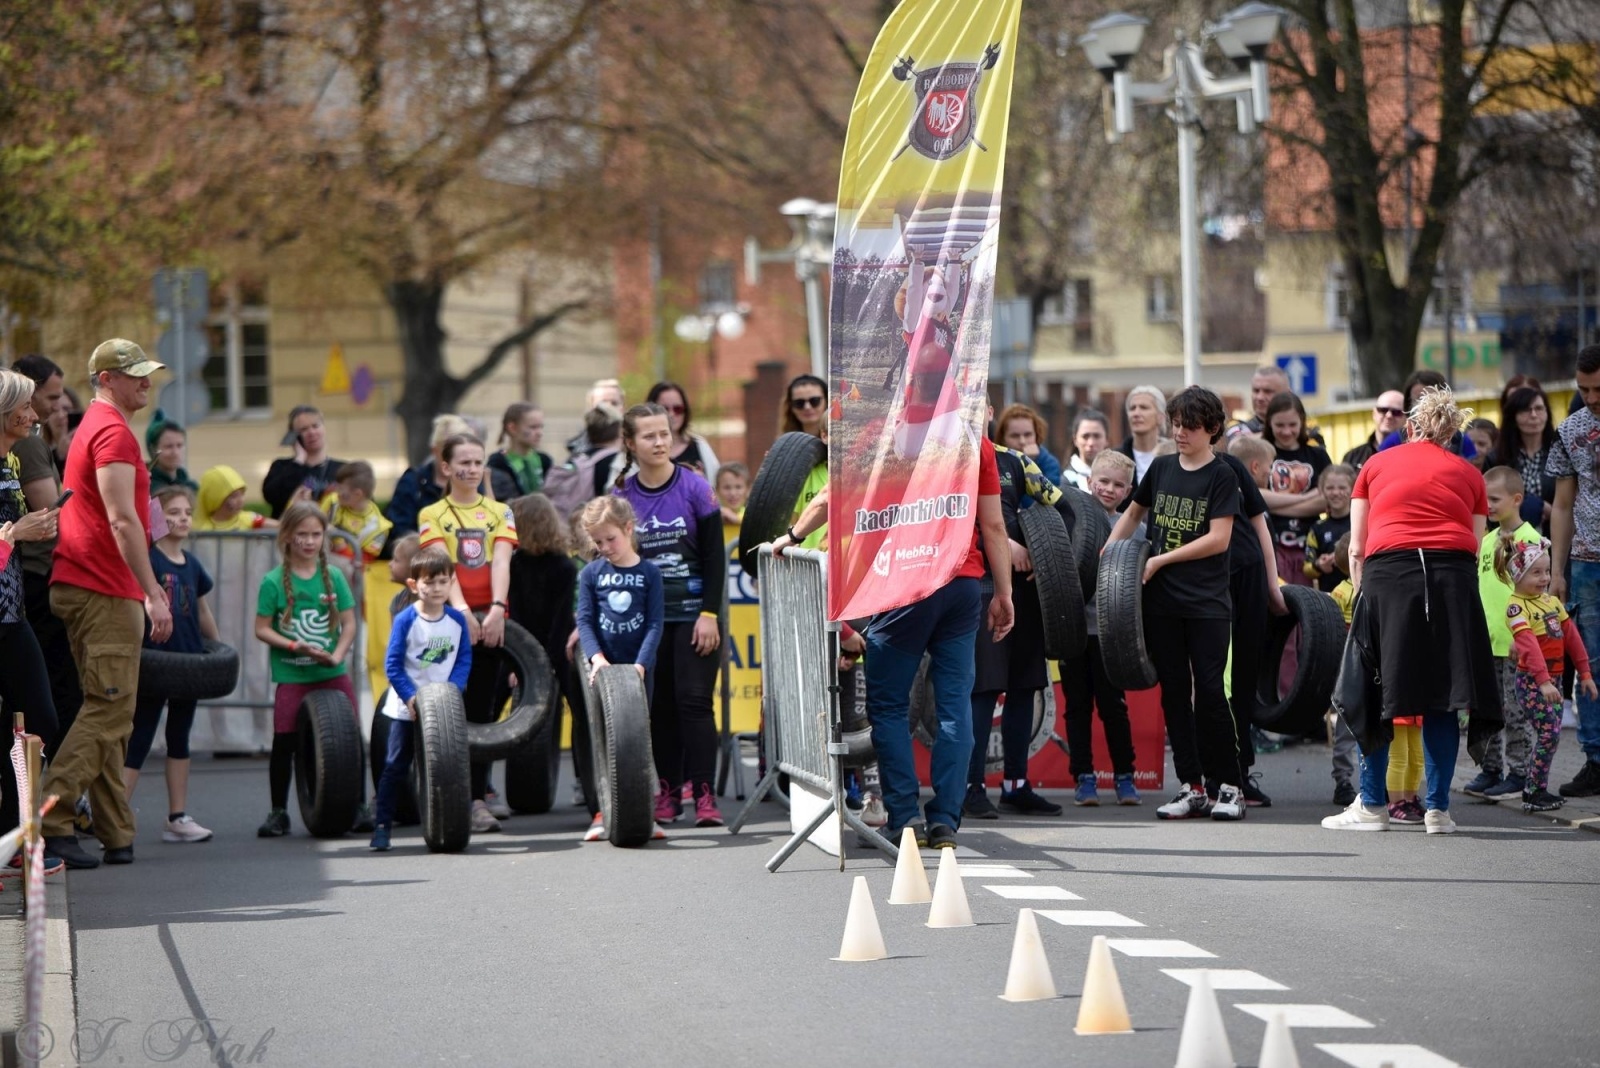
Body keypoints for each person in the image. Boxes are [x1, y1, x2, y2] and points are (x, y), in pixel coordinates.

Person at [772, 436, 1014, 849]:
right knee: (955, 706)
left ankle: (903, 820)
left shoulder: (879, 431)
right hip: (961, 585)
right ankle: (945, 825)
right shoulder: (975, 442)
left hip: (902, 585)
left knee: (888, 707)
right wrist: (1004, 594)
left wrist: (791, 537)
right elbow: (993, 524)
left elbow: (830, 498)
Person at [1325, 386, 1500, 834]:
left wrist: (1364, 599)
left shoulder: (1376, 464)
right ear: (1451, 433)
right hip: (1453, 581)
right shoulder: (1470, 474)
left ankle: (1372, 805)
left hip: (1390, 576)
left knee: (1379, 691)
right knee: (1444, 694)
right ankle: (1438, 811)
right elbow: (1475, 544)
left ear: (1411, 426)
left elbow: (1358, 546)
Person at [39, 340, 174, 870]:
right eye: (134, 374)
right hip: (104, 588)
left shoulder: (98, 426)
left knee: (107, 709)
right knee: (109, 709)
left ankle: (117, 832)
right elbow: (122, 521)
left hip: (85, 584)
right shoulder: (112, 432)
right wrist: (153, 591)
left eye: (146, 374)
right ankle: (50, 818)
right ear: (105, 379)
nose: (145, 382)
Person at [1107, 386, 1246, 822]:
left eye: (1190, 425)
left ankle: (1230, 785)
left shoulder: (1222, 475)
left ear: (1213, 429)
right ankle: (1191, 786)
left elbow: (1218, 539)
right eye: (1177, 423)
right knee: (1172, 694)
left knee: (1208, 691)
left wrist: (1162, 558)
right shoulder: (1164, 468)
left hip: (1206, 603)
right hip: (1161, 602)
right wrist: (1109, 558)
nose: (1180, 431)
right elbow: (1133, 513)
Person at [611, 403, 726, 827]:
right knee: (659, 707)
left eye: (664, 433)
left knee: (694, 701)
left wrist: (710, 613)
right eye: (649, 436)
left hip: (696, 613)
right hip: (646, 621)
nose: (660, 442)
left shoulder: (694, 487)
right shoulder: (622, 496)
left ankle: (705, 794)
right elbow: (610, 559)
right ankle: (669, 790)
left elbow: (715, 557)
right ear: (630, 443)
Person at [417, 433, 518, 833]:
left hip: (489, 619)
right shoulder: (432, 514)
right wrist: (460, 611)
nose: (472, 470)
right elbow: (441, 565)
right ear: (446, 468)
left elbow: (502, 563)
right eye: (464, 463)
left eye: (478, 463)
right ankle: (436, 792)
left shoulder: (500, 512)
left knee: (483, 709)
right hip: (448, 617)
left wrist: (496, 609)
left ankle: (477, 799)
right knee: (442, 709)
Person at [963, 427, 1064, 820]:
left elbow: (1061, 506)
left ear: (988, 413)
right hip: (976, 586)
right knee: (982, 691)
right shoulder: (942, 458)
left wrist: (1047, 554)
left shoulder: (1015, 459)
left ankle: (1016, 786)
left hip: (1020, 588)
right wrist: (1006, 545)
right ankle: (971, 789)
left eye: (981, 406)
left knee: (1026, 684)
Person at [254, 501, 364, 837]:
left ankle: (357, 806)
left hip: (331, 672)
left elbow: (348, 624)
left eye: (316, 534)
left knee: (351, 739)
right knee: (284, 742)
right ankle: (278, 811)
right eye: (301, 534)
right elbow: (262, 628)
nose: (309, 541)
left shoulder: (333, 576)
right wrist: (292, 646)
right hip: (293, 674)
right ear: (286, 536)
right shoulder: (273, 581)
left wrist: (338, 656)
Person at [123, 485, 218, 843]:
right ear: (157, 519)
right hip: (156, 664)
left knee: (180, 737)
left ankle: (177, 817)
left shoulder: (192, 565)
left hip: (189, 664)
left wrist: (218, 649)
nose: (182, 518)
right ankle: (115, 816)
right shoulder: (148, 561)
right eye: (173, 512)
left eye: (187, 512)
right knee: (140, 737)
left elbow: (202, 611)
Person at [370, 545, 473, 851]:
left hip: (444, 709)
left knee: (450, 765)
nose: (437, 588)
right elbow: (393, 665)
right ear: (415, 585)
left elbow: (464, 659)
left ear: (452, 582)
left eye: (443, 581)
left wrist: (453, 690)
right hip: (408, 707)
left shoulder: (456, 620)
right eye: (429, 582)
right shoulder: (405, 620)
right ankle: (382, 825)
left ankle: (451, 821)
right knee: (395, 765)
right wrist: (411, 698)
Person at [0, 369, 61, 855]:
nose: (35, 414)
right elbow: (9, 533)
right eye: (25, 406)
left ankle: (12, 839)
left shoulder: (11, 462)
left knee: (38, 719)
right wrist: (16, 533)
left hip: (11, 615)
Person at [8, 355, 80, 755]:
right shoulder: (30, 444)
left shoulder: (27, 446)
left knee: (37, 707)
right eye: (49, 398)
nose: (55, 408)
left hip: (20, 595)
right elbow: (47, 512)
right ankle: (56, 796)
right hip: (34, 583)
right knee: (48, 702)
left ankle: (32, 805)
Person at [1061, 446, 1139, 807]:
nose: (1109, 489)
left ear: (1129, 490)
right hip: (1076, 631)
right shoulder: (1070, 521)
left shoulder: (1135, 530)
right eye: (1103, 481)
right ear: (1090, 481)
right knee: (1077, 707)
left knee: (1113, 707)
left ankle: (1125, 777)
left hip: (1111, 634)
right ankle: (1084, 778)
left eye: (1118, 485)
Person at [1498, 534, 1596, 812]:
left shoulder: (1550, 602)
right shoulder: (1517, 607)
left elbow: (1572, 637)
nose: (1544, 579)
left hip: (1553, 680)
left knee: (1549, 734)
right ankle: (1533, 791)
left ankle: (1535, 788)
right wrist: (1542, 682)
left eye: (1548, 571)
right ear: (1517, 576)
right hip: (1532, 682)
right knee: (1550, 732)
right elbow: (1528, 646)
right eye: (1536, 573)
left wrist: (1585, 673)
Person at [1463, 467, 1542, 800]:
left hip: (1514, 643)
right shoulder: (1486, 540)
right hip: (1486, 641)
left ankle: (1520, 772)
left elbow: (1537, 595)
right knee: (1488, 708)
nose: (1488, 505)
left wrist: (1523, 638)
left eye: (1494, 499)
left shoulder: (1531, 541)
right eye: (1484, 499)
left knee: (1516, 709)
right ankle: (1491, 769)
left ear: (1517, 499)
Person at [505, 493, 586, 815]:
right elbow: (517, 616)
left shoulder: (564, 567)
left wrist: (548, 664)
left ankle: (588, 779)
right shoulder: (514, 564)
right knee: (486, 707)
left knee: (582, 711)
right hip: (523, 645)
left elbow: (560, 620)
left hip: (559, 645)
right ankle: (479, 787)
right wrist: (519, 662)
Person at [1546, 342, 1600, 797]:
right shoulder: (1570, 430)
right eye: (1583, 389)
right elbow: (1562, 505)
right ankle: (1596, 758)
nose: (1591, 397)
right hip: (1586, 561)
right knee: (1590, 664)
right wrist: (1557, 569)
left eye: (1598, 388)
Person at [1263, 391, 1331, 588]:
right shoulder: (1262, 452)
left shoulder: (1318, 455)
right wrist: (1307, 498)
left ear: (1302, 422)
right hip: (1272, 545)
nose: (1286, 431)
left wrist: (1273, 504)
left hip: (1309, 547)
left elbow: (1326, 498)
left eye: (1292, 425)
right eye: (1279, 425)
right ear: (1269, 423)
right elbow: (1255, 495)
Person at [386, 413, 475, 540]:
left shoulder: (475, 483)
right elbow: (400, 533)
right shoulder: (411, 483)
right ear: (434, 450)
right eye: (446, 451)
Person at [1491, 385, 1557, 533]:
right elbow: (1488, 503)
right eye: (1526, 410)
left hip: (1551, 538)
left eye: (1539, 408)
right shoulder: (1497, 457)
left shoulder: (1559, 453)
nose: (1534, 415)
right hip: (1508, 540)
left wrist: (1549, 510)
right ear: (1513, 416)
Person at [262, 405, 345, 519]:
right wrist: (299, 460)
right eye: (303, 429)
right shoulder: (281, 467)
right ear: (294, 436)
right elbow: (272, 497)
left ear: (323, 428)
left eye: (315, 426)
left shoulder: (343, 469)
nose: (311, 432)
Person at [1326, 532, 1361, 805]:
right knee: (1346, 724)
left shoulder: (1373, 586)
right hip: (1348, 663)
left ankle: (1378, 779)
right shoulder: (1340, 592)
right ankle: (1343, 779)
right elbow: (1333, 629)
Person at [647, 381, 720, 483]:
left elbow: (718, 487)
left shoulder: (700, 446)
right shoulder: (639, 450)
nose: (671, 414)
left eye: (678, 409)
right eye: (664, 409)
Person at [321, 461, 392, 563]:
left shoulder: (379, 529)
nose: (336, 491)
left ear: (357, 494)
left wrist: (338, 541)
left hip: (346, 574)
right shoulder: (332, 501)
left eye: (341, 489)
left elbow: (362, 563)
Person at [1303, 465, 1355, 593]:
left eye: (1342, 487)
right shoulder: (1317, 528)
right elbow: (1307, 568)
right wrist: (1319, 565)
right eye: (1330, 488)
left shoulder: (1362, 523)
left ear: (1353, 489)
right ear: (1322, 490)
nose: (1336, 492)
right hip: (1329, 598)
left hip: (1359, 596)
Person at [487, 402, 553, 501]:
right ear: (512, 428)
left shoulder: (544, 460)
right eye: (533, 427)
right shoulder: (498, 462)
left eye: (541, 427)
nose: (539, 433)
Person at [995, 403, 1062, 492]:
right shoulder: (994, 463)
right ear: (1003, 438)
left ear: (1037, 435)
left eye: (1028, 435)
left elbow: (1045, 501)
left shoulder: (1049, 464)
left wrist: (1028, 465)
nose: (1022, 441)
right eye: (1014, 436)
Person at [1114, 385, 1167, 492]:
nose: (1136, 413)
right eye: (1132, 408)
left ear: (1160, 417)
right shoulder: (1115, 458)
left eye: (1144, 407)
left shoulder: (1174, 456)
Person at [1341, 391, 1407, 473]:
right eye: (1383, 410)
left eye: (1396, 412)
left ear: (1406, 418)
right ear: (1374, 413)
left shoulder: (1410, 456)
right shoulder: (1353, 457)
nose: (1389, 415)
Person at [196, 465, 276, 530]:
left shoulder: (248, 519)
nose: (241, 500)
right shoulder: (202, 529)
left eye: (242, 494)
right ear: (215, 499)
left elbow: (279, 526)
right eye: (233, 496)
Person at [566, 379, 625, 459]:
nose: (609, 407)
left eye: (614, 403)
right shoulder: (578, 449)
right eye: (603, 403)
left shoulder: (634, 442)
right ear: (591, 407)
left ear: (622, 407)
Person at [1228, 365, 1291, 438]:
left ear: (1287, 395)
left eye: (1268, 391)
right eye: (1256, 391)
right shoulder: (1238, 429)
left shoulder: (1304, 429)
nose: (1260, 397)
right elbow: (1238, 443)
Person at [145, 411, 198, 493]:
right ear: (153, 449)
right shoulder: (146, 489)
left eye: (179, 445)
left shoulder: (192, 488)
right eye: (168, 446)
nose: (175, 452)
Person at [1063, 409, 1110, 492]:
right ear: (1075, 440)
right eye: (1085, 436)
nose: (1091, 443)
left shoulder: (1116, 478)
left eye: (1097, 436)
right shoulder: (1065, 481)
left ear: (1106, 439)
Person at [777, 373, 828, 438]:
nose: (807, 407)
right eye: (799, 403)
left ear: (827, 401)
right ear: (790, 406)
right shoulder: (784, 444)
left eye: (814, 401)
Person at [1087, 450, 1134, 518]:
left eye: (1118, 485)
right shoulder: (1071, 519)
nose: (1110, 490)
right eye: (1104, 481)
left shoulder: (1134, 527)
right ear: (1089, 482)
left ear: (1127, 492)